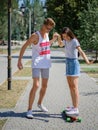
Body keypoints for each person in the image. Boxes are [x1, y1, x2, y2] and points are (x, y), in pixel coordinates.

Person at [17, 18, 58, 119]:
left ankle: (39, 103)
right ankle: (29, 109)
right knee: (36, 85)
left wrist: (53, 39)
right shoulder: (35, 35)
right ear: (43, 25)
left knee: (44, 86)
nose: (48, 30)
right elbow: (24, 46)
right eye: (47, 28)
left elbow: (46, 45)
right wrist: (19, 60)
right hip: (37, 64)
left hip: (46, 63)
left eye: (50, 29)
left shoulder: (47, 34)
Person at [58, 27, 94, 116]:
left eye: (66, 36)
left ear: (69, 34)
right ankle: (73, 106)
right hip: (67, 63)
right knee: (70, 86)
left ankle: (76, 108)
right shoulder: (65, 41)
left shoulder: (74, 41)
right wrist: (58, 37)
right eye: (63, 36)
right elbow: (60, 45)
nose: (65, 38)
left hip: (74, 63)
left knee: (74, 87)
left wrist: (87, 61)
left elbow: (81, 52)